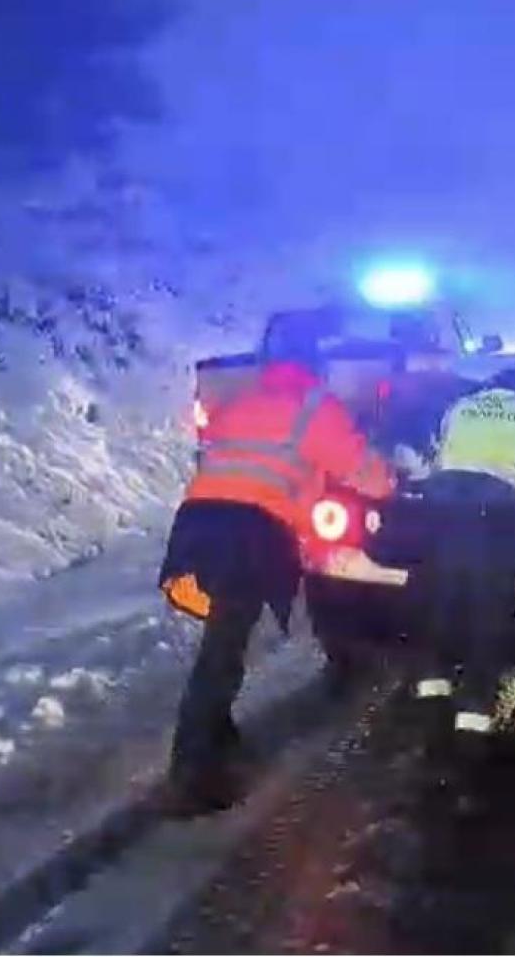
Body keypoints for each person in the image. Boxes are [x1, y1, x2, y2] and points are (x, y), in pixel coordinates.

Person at [157, 345, 394, 815]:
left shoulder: (245, 400)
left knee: (223, 637)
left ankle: (216, 735)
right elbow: (363, 472)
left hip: (198, 523)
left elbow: (244, 463)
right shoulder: (315, 408)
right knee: (222, 649)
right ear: (314, 372)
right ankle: (193, 773)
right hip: (248, 531)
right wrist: (393, 480)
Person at [405, 367, 515, 757]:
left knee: (441, 600)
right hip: (494, 512)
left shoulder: (461, 405)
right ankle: (473, 723)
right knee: (488, 613)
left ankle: (431, 703)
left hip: (442, 505)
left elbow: (438, 450)